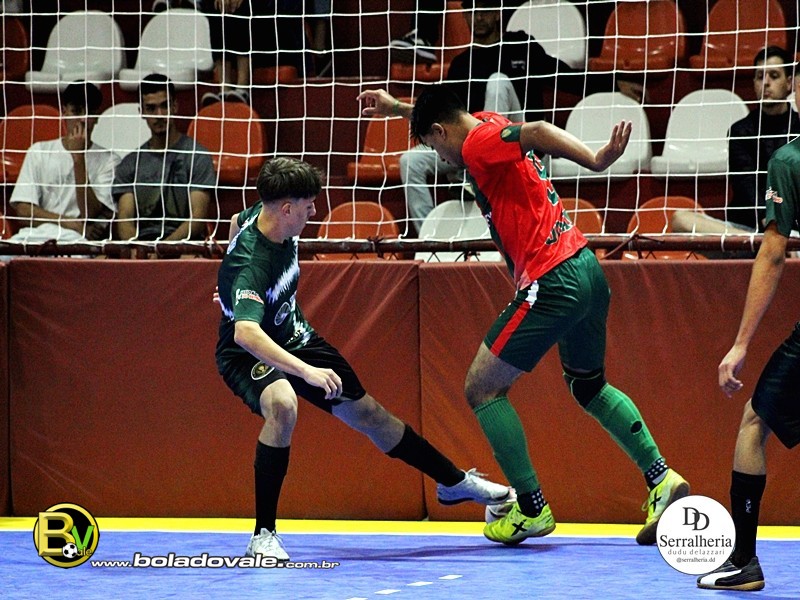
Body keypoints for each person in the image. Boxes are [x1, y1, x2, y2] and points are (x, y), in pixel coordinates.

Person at [358, 84, 688, 545]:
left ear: (441, 132)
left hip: (551, 280)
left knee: (481, 388)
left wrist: (596, 161)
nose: (440, 157)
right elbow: (444, 115)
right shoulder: (485, 122)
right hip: (586, 268)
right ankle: (661, 478)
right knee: (589, 386)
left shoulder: (476, 143)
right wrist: (396, 107)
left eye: (433, 145)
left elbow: (538, 131)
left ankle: (531, 508)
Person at [215, 156, 514, 560]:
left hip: (294, 335)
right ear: (285, 209)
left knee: (371, 415)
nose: (314, 213)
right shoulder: (253, 263)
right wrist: (304, 369)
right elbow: (246, 332)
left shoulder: (262, 215)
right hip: (248, 351)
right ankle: (263, 534)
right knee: (283, 405)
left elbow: (236, 223)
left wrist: (230, 289)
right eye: (308, 206)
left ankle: (452, 482)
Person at [399, 0, 643, 233]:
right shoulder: (461, 65)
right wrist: (398, 109)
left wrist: (614, 83)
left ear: (497, 13)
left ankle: (480, 172)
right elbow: (446, 115)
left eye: (484, 10)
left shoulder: (520, 46)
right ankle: (428, 238)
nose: (478, 17)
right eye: (472, 11)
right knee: (410, 161)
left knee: (498, 82)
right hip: (472, 151)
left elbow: (565, 76)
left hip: (524, 145)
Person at [696, 69, 800, 594]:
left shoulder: (789, 160)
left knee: (754, 421)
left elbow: (773, 254)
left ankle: (744, 562)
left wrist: (739, 344)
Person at [673, 46, 800, 237]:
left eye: (774, 76)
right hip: (747, 230)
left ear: (789, 83)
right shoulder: (740, 131)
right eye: (760, 77)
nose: (766, 83)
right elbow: (746, 185)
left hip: (792, 229)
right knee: (681, 219)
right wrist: (769, 222)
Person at [5, 81, 117, 249]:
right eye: (76, 111)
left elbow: (91, 213)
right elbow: (23, 211)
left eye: (89, 113)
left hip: (77, 241)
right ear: (64, 112)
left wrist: (78, 159)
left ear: (97, 117)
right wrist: (68, 223)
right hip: (34, 236)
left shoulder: (109, 160)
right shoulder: (39, 151)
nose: (83, 119)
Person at [113, 74, 214, 241]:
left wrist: (162, 249)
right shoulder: (130, 163)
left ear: (175, 106)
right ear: (141, 112)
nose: (159, 115)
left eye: (165, 106)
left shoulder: (197, 156)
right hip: (142, 246)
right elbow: (125, 220)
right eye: (151, 108)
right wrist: (140, 250)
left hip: (184, 244)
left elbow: (197, 219)